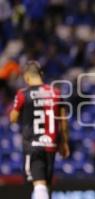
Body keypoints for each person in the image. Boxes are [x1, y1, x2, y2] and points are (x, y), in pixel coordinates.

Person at [9, 60, 70, 199]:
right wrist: (64, 142)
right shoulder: (56, 92)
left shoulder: (23, 94)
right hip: (51, 145)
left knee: (39, 185)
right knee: (45, 186)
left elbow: (13, 118)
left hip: (33, 145)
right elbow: (63, 120)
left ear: (26, 77)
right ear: (41, 74)